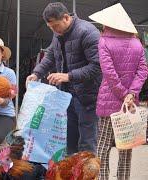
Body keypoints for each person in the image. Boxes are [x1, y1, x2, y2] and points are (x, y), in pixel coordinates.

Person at [26, 2, 101, 155]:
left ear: (66, 18)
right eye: (50, 27)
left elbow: (97, 66)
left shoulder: (88, 32)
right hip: (66, 96)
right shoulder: (58, 33)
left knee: (87, 144)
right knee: (68, 142)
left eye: (55, 26)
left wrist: (68, 76)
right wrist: (37, 73)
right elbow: (51, 54)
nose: (53, 30)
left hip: (87, 97)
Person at [89, 3, 148, 179]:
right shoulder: (137, 43)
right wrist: (131, 94)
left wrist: (123, 93)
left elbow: (109, 74)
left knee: (103, 145)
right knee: (126, 144)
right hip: (129, 103)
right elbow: (143, 70)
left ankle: (102, 177)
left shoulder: (104, 41)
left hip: (109, 101)